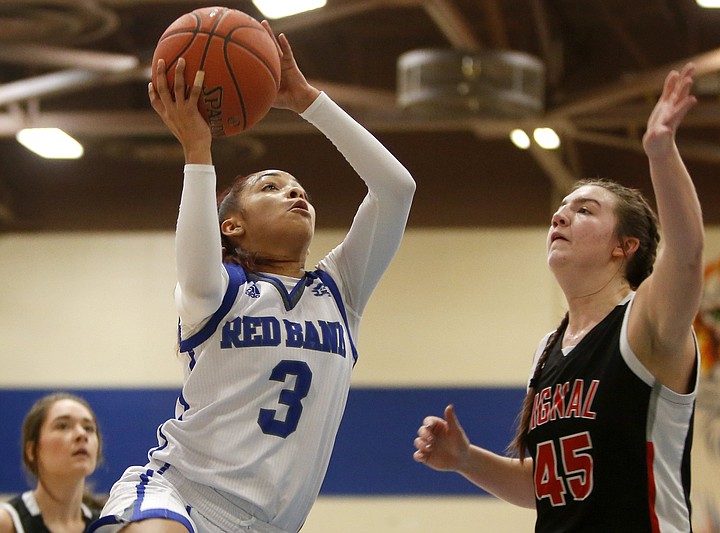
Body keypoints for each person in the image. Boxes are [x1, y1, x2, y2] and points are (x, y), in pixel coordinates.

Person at [88, 22, 415, 533]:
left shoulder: (340, 291)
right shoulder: (218, 292)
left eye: (299, 189)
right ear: (231, 225)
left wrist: (308, 101)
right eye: (272, 186)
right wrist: (198, 150)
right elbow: (194, 264)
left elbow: (396, 189)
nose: (295, 193)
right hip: (181, 495)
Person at [413, 63, 702, 532]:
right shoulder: (549, 350)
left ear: (624, 246)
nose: (560, 218)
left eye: (583, 210)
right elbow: (546, 488)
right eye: (560, 210)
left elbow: (688, 254)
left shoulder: (645, 323)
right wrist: (467, 459)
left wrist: (661, 154)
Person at [0, 392, 104, 533]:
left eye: (89, 428)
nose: (82, 434)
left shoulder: (106, 527)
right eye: (63, 426)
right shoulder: (7, 522)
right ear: (32, 450)